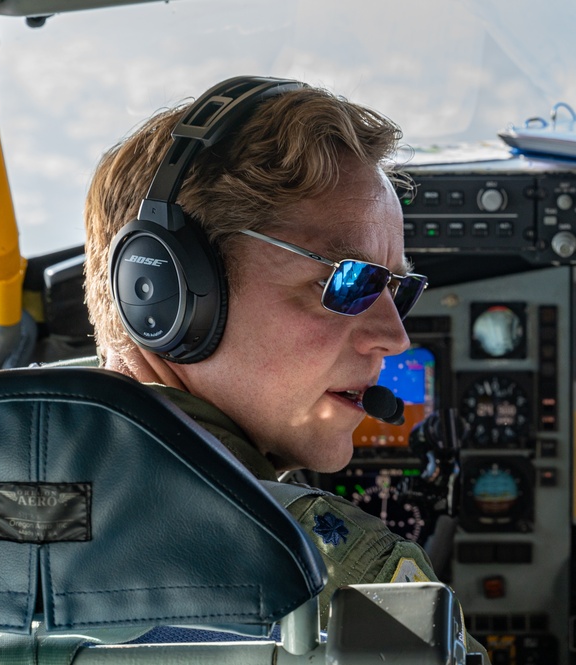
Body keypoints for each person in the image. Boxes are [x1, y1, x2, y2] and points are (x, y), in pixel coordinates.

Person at [82, 77, 488, 661]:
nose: (394, 338)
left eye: (397, 289)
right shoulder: (335, 577)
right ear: (167, 295)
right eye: (346, 282)